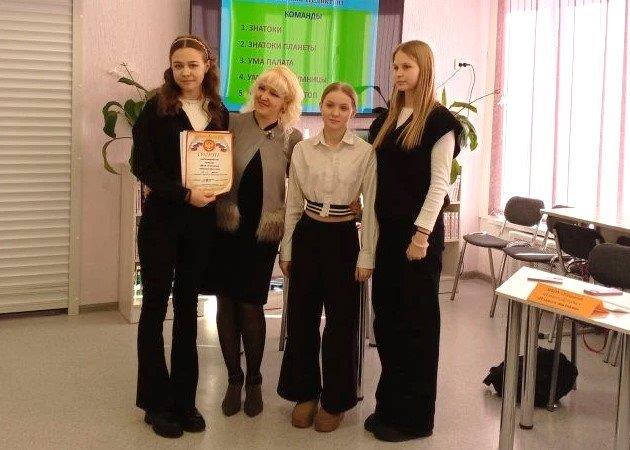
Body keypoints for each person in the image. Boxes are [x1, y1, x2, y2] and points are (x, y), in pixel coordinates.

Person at [363, 40, 463, 442]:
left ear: (424, 69)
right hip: (387, 235)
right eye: (395, 66)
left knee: (416, 327)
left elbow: (439, 184)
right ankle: (389, 407)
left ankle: (414, 419)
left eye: (406, 66)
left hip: (417, 239)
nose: (399, 73)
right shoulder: (386, 120)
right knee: (387, 322)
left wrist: (421, 235)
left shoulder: (440, 122)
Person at [130, 34, 229, 438]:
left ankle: (185, 400)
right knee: (155, 305)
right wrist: (185, 194)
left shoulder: (218, 111)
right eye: (178, 65)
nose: (185, 72)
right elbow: (143, 167)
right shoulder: (155, 108)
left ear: (207, 66)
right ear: (170, 68)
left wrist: (215, 189)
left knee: (189, 308)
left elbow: (223, 164)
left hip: (200, 225)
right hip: (161, 221)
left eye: (193, 64)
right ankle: (156, 403)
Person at [277, 82, 378, 433]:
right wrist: (287, 248)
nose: (335, 113)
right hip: (308, 235)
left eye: (343, 107)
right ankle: (304, 394)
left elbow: (371, 208)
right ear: (320, 106)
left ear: (353, 112)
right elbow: (292, 204)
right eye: (330, 105)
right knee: (302, 320)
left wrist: (366, 255)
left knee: (341, 324)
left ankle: (335, 400)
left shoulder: (365, 153)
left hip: (343, 239)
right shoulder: (303, 149)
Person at [212, 66, 303, 417]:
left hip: (262, 234)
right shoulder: (233, 123)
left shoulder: (292, 139)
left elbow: (302, 186)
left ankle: (254, 380)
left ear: (286, 103)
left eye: (274, 93)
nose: (265, 96)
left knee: (251, 305)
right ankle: (233, 379)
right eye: (262, 88)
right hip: (226, 228)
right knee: (225, 303)